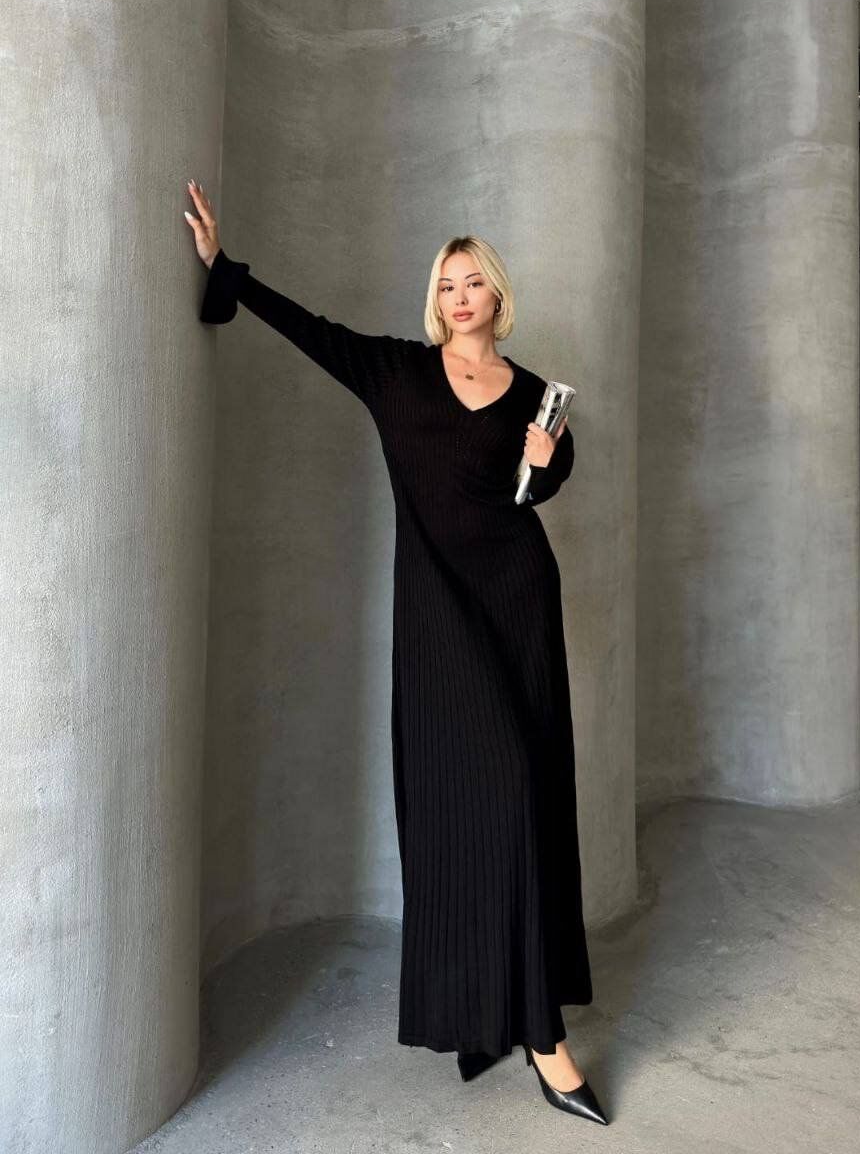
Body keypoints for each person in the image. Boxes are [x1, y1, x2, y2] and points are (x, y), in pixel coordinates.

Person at [184, 180, 609, 1125]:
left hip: (521, 610)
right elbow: (310, 329)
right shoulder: (396, 373)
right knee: (472, 809)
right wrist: (225, 268)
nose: (459, 298)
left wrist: (549, 466)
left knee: (528, 804)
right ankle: (515, 1025)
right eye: (446, 285)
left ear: (497, 294)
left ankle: (529, 1022)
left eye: (473, 283)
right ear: (435, 299)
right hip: (440, 626)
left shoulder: (534, 393)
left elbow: (539, 489)